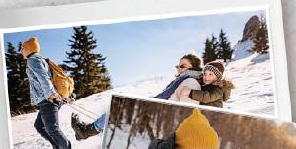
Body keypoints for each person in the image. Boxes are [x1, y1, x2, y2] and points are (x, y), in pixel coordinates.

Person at [71, 53, 204, 140]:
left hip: (156, 117)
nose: (178, 69)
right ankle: (87, 131)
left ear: (194, 68)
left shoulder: (190, 83)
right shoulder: (179, 81)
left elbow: (186, 114)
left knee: (117, 108)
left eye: (182, 66)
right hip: (153, 111)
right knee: (116, 107)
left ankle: (87, 131)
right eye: (177, 66)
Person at [22, 37, 79, 149]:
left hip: (48, 99)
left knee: (52, 128)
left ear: (28, 48)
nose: (21, 51)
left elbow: (43, 77)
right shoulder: (39, 59)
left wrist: (50, 94)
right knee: (39, 125)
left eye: (22, 48)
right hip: (49, 98)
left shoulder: (33, 60)